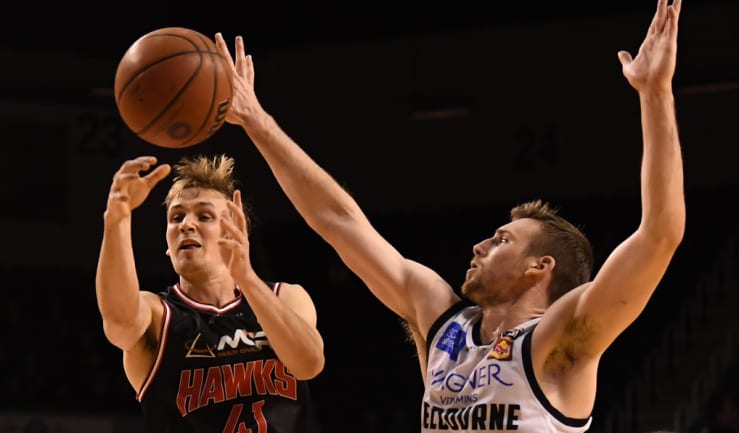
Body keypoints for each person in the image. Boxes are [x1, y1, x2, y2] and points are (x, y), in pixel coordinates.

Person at [215, 0, 685, 430]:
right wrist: (258, 123)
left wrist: (655, 92)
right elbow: (337, 221)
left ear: (540, 267)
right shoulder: (443, 323)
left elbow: (660, 234)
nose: (479, 246)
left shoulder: (560, 339)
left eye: (502, 240)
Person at [95, 153, 325, 433]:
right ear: (167, 245)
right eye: (176, 217)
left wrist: (246, 277)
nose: (186, 225)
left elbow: (309, 363)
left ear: (234, 231)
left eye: (204, 215)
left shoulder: (286, 297)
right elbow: (118, 322)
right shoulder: (158, 315)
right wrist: (117, 218)